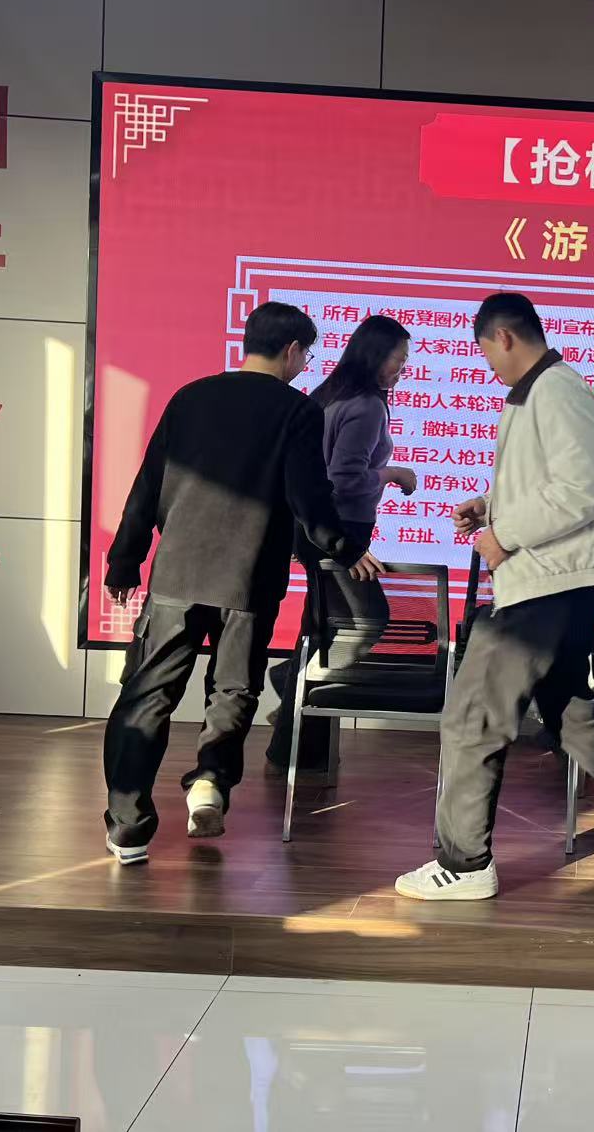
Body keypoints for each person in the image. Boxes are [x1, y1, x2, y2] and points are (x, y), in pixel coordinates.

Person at [395, 293, 594, 900]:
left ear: (504, 337)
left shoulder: (556, 390)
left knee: (472, 716)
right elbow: (555, 483)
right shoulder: (543, 391)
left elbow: (582, 489)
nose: (488, 365)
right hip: (558, 582)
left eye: (485, 352)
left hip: (547, 583)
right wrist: (490, 508)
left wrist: (503, 534)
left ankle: (464, 864)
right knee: (569, 711)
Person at [101, 302, 359, 865]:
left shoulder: (190, 398)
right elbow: (309, 498)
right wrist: (345, 548)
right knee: (234, 690)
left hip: (178, 574)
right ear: (292, 350)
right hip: (249, 579)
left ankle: (129, 828)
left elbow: (147, 485)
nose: (304, 366)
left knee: (147, 696)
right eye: (306, 355)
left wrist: (124, 563)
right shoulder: (297, 410)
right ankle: (209, 784)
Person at [265, 315, 418, 772]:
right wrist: (393, 473)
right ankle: (291, 680)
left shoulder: (330, 394)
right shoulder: (367, 406)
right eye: (398, 359)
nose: (402, 369)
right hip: (343, 531)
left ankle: (288, 733)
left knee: (320, 629)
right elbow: (345, 479)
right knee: (368, 622)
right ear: (375, 356)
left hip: (315, 528)